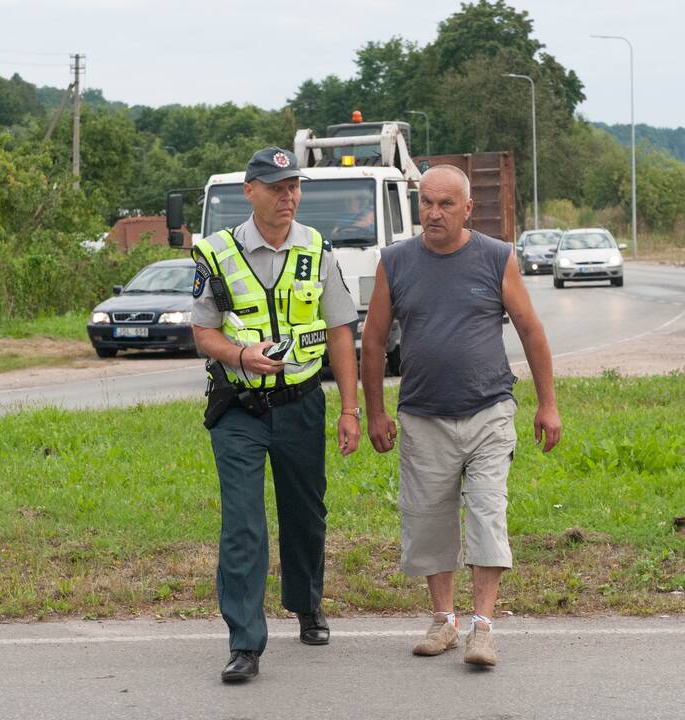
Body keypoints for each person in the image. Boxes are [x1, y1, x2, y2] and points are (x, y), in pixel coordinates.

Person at [360, 164, 562, 668]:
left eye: (446, 204)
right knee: (428, 520)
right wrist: (374, 413)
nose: (433, 213)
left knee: (487, 513)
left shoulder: (496, 258)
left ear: (468, 208)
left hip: (489, 410)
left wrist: (548, 403)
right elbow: (374, 339)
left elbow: (531, 331)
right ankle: (443, 621)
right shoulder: (396, 262)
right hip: (423, 416)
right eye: (426, 202)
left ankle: (484, 628)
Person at [190, 147, 362, 683]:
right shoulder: (216, 253)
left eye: (294, 187)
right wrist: (240, 355)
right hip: (239, 407)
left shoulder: (317, 248)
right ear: (251, 191)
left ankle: (308, 605)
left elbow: (339, 330)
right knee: (243, 525)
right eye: (277, 187)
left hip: (302, 403)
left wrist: (350, 409)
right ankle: (245, 642)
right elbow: (202, 330)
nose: (289, 196)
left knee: (305, 515)